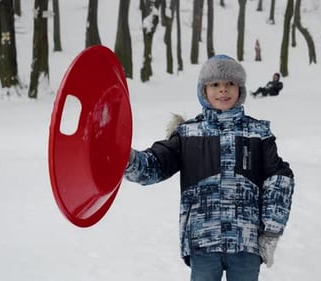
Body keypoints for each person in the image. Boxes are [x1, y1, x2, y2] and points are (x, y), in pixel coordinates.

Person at [124, 54, 295, 281]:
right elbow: (155, 164)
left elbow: (279, 178)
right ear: (203, 90)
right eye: (215, 84)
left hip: (245, 240)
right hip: (203, 239)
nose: (222, 90)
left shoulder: (258, 133)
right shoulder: (187, 134)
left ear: (240, 89)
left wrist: (272, 230)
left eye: (229, 84)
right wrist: (127, 159)